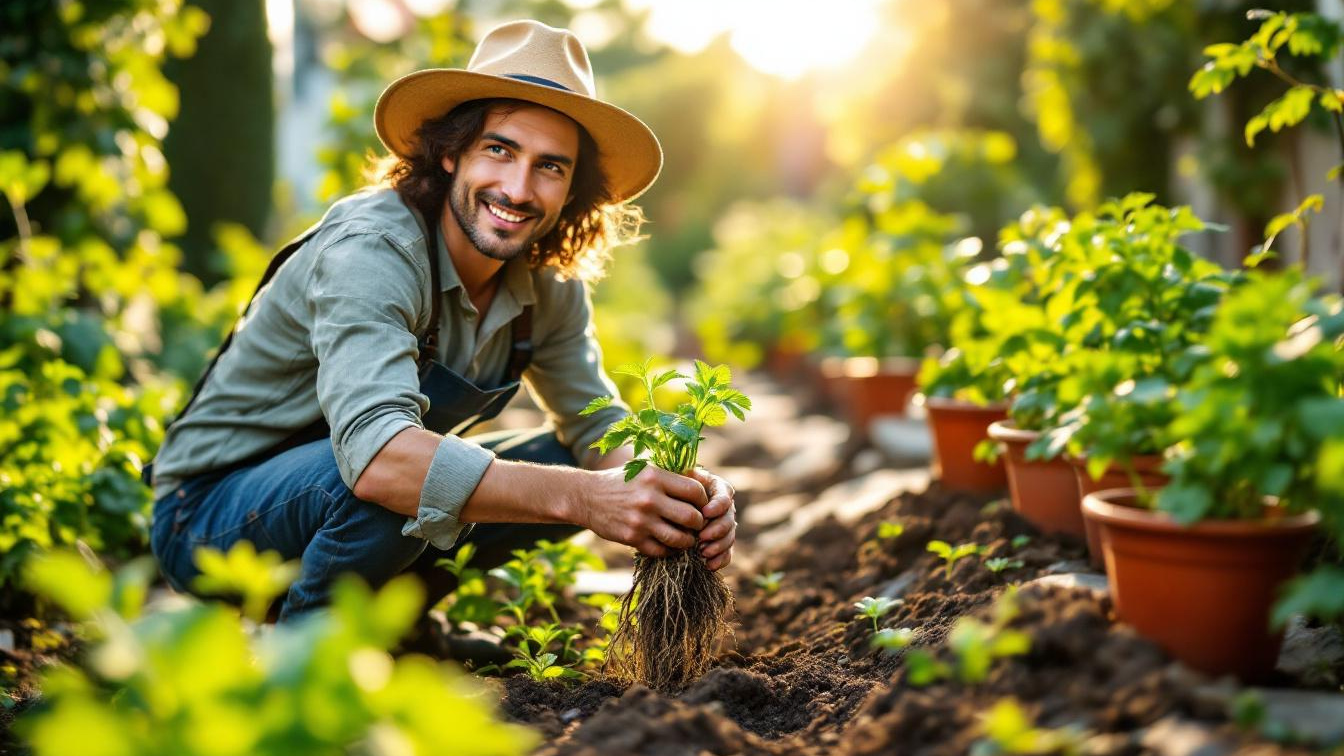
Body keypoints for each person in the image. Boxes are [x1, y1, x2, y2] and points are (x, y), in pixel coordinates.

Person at [147, 20, 737, 622]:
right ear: (451, 151)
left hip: (336, 496)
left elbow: (596, 426)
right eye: (499, 150)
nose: (517, 188)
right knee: (407, 480)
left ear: (571, 191)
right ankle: (309, 663)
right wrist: (587, 499)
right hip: (208, 515)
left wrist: (672, 488)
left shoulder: (546, 285)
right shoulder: (373, 252)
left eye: (550, 167)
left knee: (560, 462)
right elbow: (380, 461)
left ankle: (397, 629)